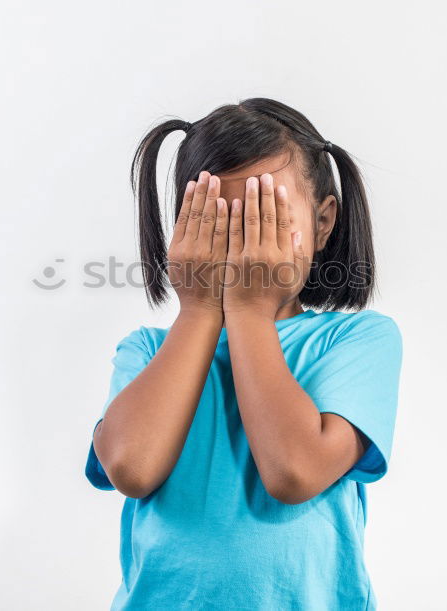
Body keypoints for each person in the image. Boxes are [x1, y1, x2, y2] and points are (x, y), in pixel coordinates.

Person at [85, 97, 403, 610]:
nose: (246, 245)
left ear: (323, 223)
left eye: (267, 220)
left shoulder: (356, 342)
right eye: (219, 223)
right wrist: (200, 312)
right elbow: (133, 469)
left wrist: (252, 312)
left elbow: (294, 471)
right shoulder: (147, 352)